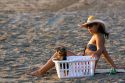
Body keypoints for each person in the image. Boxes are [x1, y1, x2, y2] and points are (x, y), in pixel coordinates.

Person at [30, 16, 118, 77]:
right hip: (84, 62)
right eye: (87, 26)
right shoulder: (97, 36)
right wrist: (114, 66)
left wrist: (96, 53)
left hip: (85, 65)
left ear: (98, 25)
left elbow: (101, 49)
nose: (88, 28)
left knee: (60, 52)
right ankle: (43, 70)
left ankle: (41, 71)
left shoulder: (99, 36)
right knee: (61, 52)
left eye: (90, 25)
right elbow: (105, 53)